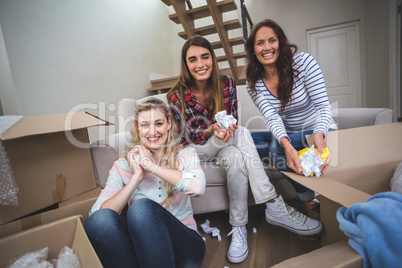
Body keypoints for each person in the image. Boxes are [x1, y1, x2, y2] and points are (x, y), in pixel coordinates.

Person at [167, 35, 323, 264]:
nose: (200, 64)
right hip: (194, 149)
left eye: (205, 57)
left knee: (237, 154)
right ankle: (272, 203)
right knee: (243, 135)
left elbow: (234, 122)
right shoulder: (176, 95)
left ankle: (238, 228)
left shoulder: (226, 83)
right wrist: (211, 130)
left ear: (212, 58)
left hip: (224, 145)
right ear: (185, 64)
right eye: (193, 60)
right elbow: (183, 137)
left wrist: (226, 130)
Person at [85, 98, 206, 268]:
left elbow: (197, 187)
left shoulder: (185, 155)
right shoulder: (123, 165)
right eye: (144, 125)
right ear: (137, 128)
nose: (152, 131)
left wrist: (152, 167)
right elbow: (98, 216)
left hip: (185, 248)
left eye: (158, 123)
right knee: (98, 221)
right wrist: (136, 178)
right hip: (145, 250)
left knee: (141, 208)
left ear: (168, 124)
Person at [245, 19, 337, 221]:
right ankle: (283, 149)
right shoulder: (254, 83)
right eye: (260, 43)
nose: (267, 47)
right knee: (246, 140)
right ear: (253, 50)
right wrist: (286, 144)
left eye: (272, 40)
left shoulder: (304, 63)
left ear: (281, 42)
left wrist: (319, 136)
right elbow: (272, 117)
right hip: (290, 135)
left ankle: (310, 201)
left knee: (275, 150)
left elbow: (323, 107)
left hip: (318, 131)